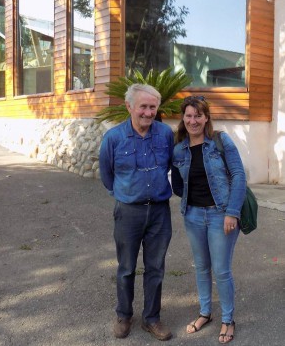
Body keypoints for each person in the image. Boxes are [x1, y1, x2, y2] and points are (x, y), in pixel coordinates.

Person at [99, 83, 174, 341]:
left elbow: (174, 166)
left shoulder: (165, 134)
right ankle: (124, 315)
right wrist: (124, 194)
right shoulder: (114, 138)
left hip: (159, 213)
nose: (148, 112)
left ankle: (151, 318)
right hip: (128, 212)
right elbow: (107, 175)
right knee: (127, 267)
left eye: (153, 107)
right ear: (129, 106)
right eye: (143, 106)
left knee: (156, 268)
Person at [171, 96, 246, 344]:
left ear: (206, 118)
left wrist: (232, 212)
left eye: (198, 115)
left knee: (221, 270)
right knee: (202, 267)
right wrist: (191, 201)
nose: (193, 120)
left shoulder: (220, 141)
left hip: (220, 214)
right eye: (189, 116)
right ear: (183, 118)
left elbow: (238, 175)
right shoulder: (179, 149)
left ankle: (228, 320)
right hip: (193, 215)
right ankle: (205, 313)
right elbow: (179, 184)